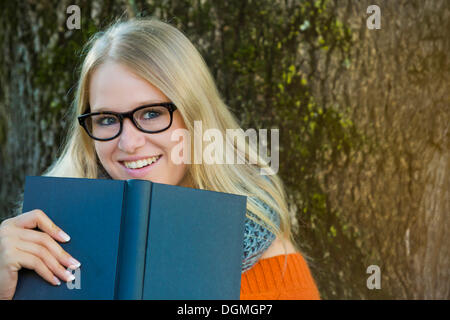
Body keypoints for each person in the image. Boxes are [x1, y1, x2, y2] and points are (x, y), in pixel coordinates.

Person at [0, 17, 320, 300]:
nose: (129, 142)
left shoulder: (272, 265)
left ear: (196, 116)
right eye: (107, 119)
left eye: (151, 113)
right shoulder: (42, 243)